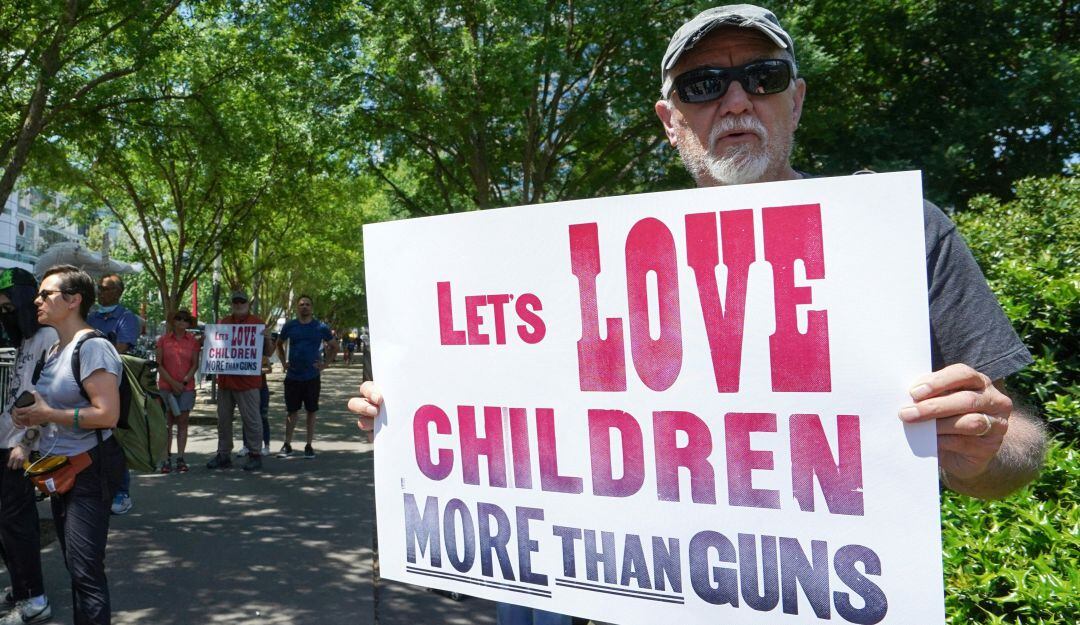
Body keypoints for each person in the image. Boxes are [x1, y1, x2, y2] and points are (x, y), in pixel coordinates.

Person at [349, 4, 1047, 621]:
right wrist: (410, 413)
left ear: (796, 100)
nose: (737, 100)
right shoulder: (576, 261)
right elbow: (512, 409)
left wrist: (981, 449)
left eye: (764, 77)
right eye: (703, 85)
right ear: (669, 120)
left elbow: (1023, 446)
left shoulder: (898, 233)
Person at [13, 265, 125, 625]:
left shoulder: (93, 348)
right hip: (62, 469)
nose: (37, 301)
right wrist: (30, 425)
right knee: (76, 567)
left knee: (85, 571)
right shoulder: (54, 350)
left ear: (74, 300)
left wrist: (49, 413)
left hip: (91, 468)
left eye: (46, 294)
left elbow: (106, 415)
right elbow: (49, 409)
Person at [0, 268, 54, 624]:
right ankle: (21, 587)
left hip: (21, 448)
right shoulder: (16, 339)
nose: (4, 313)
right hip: (4, 441)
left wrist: (26, 445)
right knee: (5, 523)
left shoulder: (48, 338)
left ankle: (34, 597)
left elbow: (47, 396)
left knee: (18, 523)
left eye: (7, 306)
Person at [86, 274, 141, 515]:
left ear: (118, 292)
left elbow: (119, 350)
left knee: (115, 440)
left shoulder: (127, 318)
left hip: (117, 387)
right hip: (89, 384)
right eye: (98, 288)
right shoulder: (90, 317)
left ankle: (122, 492)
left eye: (105, 288)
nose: (100, 292)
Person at [206, 291, 270, 472]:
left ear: (248, 304)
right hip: (226, 382)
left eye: (242, 301)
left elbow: (268, 353)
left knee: (251, 420)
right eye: (235, 301)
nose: (238, 304)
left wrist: (267, 337)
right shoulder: (223, 323)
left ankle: (255, 454)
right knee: (223, 420)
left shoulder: (257, 323)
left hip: (248, 383)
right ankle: (223, 454)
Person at [273, 295, 338, 460]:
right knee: (291, 411)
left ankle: (309, 445)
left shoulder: (320, 327)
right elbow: (279, 343)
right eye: (301, 304)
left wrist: (325, 365)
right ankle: (287, 444)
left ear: (312, 308)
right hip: (293, 375)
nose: (304, 307)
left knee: (311, 411)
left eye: (307, 304)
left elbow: (334, 346)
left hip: (312, 377)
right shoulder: (290, 326)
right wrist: (283, 362)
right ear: (297, 307)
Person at [154, 309, 200, 474]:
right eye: (178, 319)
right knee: (167, 424)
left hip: (186, 388)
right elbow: (158, 364)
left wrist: (185, 380)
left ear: (189, 323)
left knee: (182, 422)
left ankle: (181, 457)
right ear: (173, 321)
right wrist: (172, 383)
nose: (181, 322)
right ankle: (166, 459)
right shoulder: (163, 341)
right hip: (167, 388)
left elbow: (195, 364)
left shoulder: (193, 341)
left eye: (185, 320)